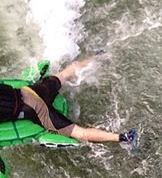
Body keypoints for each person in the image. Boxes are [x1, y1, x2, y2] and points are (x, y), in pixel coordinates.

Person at [0, 58, 139, 150]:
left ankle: (123, 138)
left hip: (38, 110)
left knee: (80, 133)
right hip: (33, 90)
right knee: (64, 74)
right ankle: (99, 57)